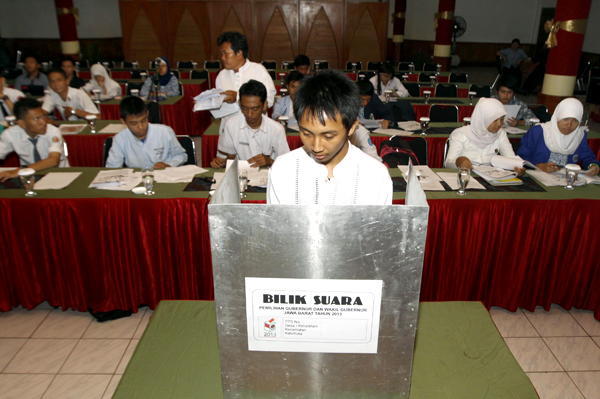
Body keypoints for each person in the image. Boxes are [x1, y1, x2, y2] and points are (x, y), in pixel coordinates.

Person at [267, 70, 392, 205]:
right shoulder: (283, 170)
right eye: (307, 134)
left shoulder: (375, 176)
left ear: (351, 127)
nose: (316, 147)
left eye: (328, 136)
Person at [211, 80, 289, 169]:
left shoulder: (276, 129)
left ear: (264, 105)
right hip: (242, 175)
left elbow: (286, 163)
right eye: (245, 108)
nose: (249, 114)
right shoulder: (231, 124)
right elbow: (231, 159)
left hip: (268, 175)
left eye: (255, 109)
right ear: (240, 104)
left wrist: (269, 161)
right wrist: (222, 163)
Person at [517, 98, 600, 175]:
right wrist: (538, 166)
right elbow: (522, 157)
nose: (569, 125)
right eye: (565, 119)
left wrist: (592, 165)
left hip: (567, 180)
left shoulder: (579, 135)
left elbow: (588, 157)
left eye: (575, 121)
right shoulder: (538, 132)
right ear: (557, 117)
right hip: (539, 177)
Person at [445, 97, 525, 175]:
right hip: (465, 176)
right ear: (483, 119)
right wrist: (459, 161)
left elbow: (510, 158)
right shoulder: (461, 134)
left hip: (491, 177)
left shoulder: (501, 134)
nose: (499, 124)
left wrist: (517, 168)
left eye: (502, 119)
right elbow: (448, 164)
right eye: (495, 120)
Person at [215, 31, 276, 133]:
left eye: (226, 53)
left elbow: (268, 100)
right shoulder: (221, 76)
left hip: (255, 130)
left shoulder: (258, 70)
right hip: (230, 129)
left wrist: (237, 97)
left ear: (239, 53)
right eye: (222, 54)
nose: (222, 58)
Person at [106, 96, 187, 168]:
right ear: (123, 122)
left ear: (147, 113)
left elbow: (181, 155)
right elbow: (112, 167)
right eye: (134, 123)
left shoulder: (164, 132)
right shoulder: (120, 139)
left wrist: (169, 165)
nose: (140, 127)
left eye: (143, 120)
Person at [0, 98, 68, 182]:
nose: (43, 121)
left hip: (59, 175)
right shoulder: (10, 134)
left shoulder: (52, 131)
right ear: (22, 124)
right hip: (29, 177)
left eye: (43, 116)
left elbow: (53, 161)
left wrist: (20, 170)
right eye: (37, 119)